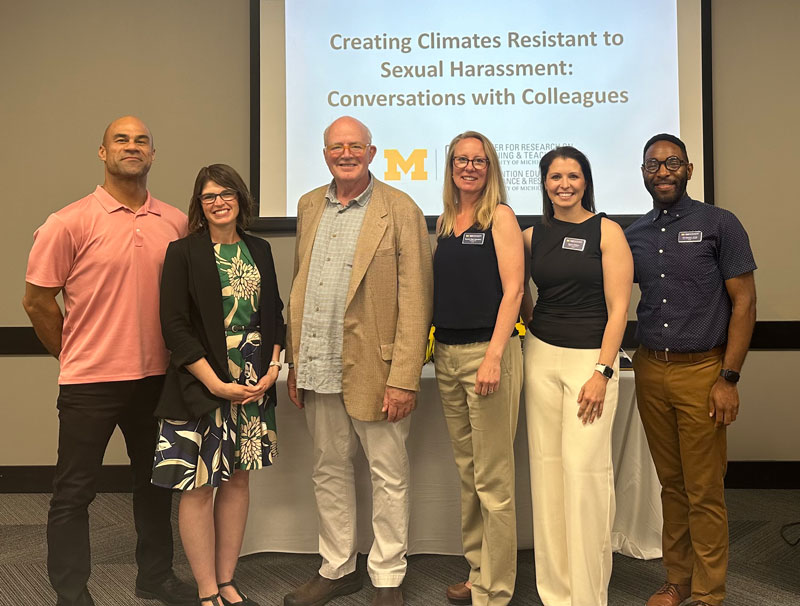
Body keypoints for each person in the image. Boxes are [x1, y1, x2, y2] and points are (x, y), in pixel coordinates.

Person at [22, 116, 195, 606]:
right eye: (121, 139)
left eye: (141, 140)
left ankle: (155, 578)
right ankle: (71, 593)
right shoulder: (68, 222)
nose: (132, 146)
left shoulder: (175, 223)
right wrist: (72, 352)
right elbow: (36, 301)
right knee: (74, 493)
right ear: (103, 152)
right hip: (91, 382)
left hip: (157, 379)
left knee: (155, 483)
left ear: (153, 155)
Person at [283, 116, 433, 606]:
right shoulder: (309, 206)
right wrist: (298, 363)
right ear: (325, 153)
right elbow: (300, 288)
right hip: (319, 364)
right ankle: (338, 566)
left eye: (354, 147)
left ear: (372, 152)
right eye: (335, 147)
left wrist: (405, 378)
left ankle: (387, 575)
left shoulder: (400, 208)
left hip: (379, 369)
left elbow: (416, 300)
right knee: (328, 468)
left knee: (388, 474)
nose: (344, 154)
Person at [625, 134, 757, 606]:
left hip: (704, 372)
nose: (663, 171)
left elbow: (744, 304)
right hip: (650, 371)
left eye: (672, 162)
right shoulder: (634, 234)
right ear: (643, 172)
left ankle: (708, 590)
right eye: (653, 164)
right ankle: (677, 580)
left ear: (689, 169)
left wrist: (730, 378)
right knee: (671, 485)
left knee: (703, 488)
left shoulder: (720, 223)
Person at [152, 164, 285, 606]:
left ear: (240, 199)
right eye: (209, 196)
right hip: (200, 386)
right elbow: (175, 327)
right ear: (199, 205)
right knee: (199, 486)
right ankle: (207, 589)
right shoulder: (183, 252)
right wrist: (217, 385)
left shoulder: (260, 250)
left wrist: (272, 370)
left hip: (253, 387)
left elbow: (274, 314)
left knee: (238, 482)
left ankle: (227, 580)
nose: (219, 202)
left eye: (226, 194)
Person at [521, 146, 633, 606]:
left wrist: (603, 372)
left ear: (585, 180)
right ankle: (555, 592)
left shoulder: (607, 231)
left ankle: (588, 595)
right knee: (547, 477)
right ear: (544, 183)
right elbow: (517, 291)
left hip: (591, 362)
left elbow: (620, 308)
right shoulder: (531, 236)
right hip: (541, 357)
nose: (563, 184)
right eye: (554, 177)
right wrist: (529, 331)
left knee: (585, 475)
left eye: (572, 175)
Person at [432, 131, 524, 606]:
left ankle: (497, 589)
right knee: (468, 474)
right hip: (447, 356)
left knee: (493, 478)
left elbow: (513, 291)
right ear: (450, 166)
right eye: (461, 159)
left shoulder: (500, 217)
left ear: (490, 167)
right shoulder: (448, 220)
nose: (469, 167)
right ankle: (477, 569)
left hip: (487, 358)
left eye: (479, 160)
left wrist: (493, 355)